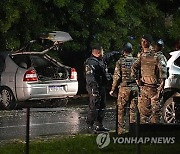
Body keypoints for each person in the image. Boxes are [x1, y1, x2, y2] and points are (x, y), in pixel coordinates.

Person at [131, 34, 167, 124]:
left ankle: (147, 134)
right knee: (151, 114)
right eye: (142, 41)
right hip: (148, 88)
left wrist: (160, 89)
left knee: (149, 115)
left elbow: (163, 74)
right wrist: (137, 80)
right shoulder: (153, 56)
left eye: (145, 41)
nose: (143, 43)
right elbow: (134, 67)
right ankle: (150, 134)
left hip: (153, 89)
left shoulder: (145, 55)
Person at [109, 42, 138, 135]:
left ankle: (121, 132)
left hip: (124, 88)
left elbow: (116, 76)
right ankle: (133, 132)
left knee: (121, 110)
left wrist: (113, 89)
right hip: (135, 88)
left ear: (123, 51)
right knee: (133, 110)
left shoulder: (120, 61)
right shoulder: (136, 61)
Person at [84, 43, 110, 133]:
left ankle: (99, 125)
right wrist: (94, 89)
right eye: (102, 51)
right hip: (94, 87)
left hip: (101, 86)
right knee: (94, 106)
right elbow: (90, 77)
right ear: (99, 52)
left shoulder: (100, 60)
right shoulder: (90, 62)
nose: (104, 52)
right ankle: (90, 126)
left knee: (102, 106)